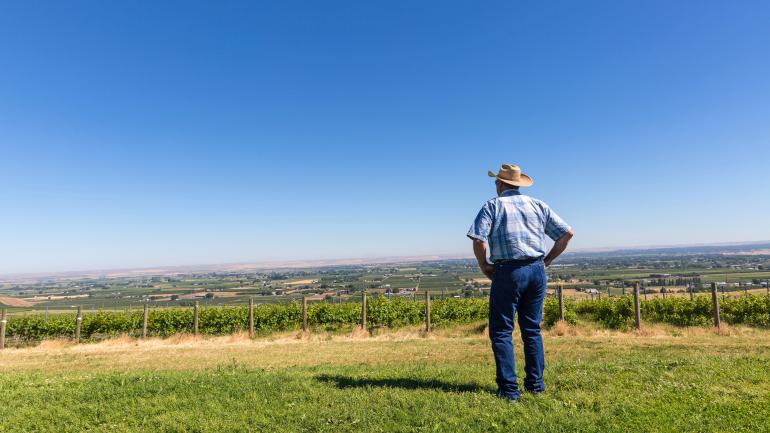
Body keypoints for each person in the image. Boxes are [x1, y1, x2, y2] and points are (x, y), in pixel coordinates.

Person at [467, 163, 573, 402]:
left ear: (500, 184)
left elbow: (478, 239)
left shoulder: (492, 206)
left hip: (508, 272)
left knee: (502, 331)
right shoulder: (538, 205)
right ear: (518, 184)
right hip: (536, 270)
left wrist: (484, 265)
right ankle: (535, 385)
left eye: (496, 182)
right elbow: (567, 233)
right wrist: (546, 261)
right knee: (532, 330)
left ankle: (509, 390)